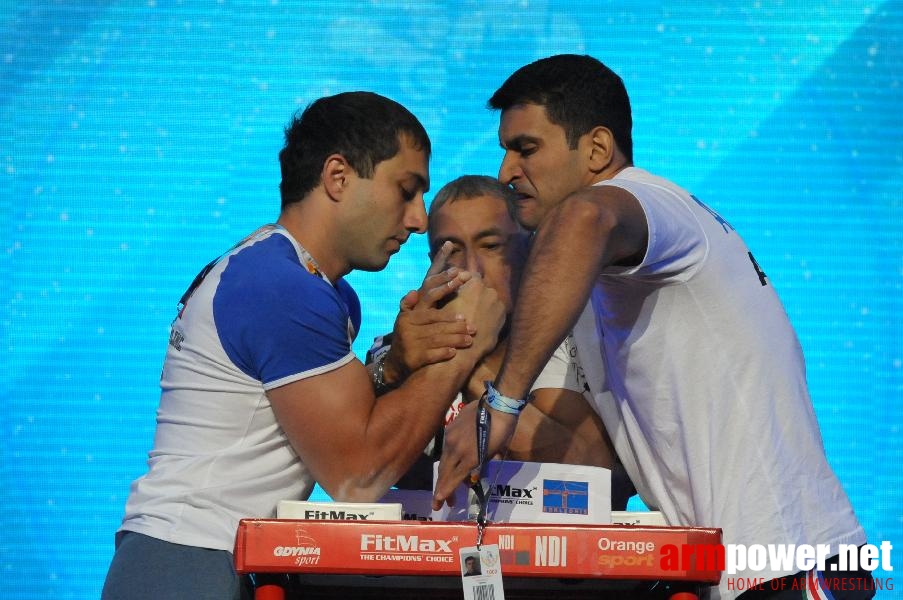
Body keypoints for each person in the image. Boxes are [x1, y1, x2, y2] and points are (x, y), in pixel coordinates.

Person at [433, 55, 872, 600]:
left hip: (787, 558)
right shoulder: (608, 271)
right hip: (752, 563)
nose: (505, 172)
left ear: (596, 149)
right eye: (504, 151)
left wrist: (502, 405)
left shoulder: (646, 202)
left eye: (525, 149)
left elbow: (584, 219)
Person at [102, 91, 505, 600]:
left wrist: (397, 364)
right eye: (406, 191)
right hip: (189, 559)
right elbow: (358, 476)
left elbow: (334, 420)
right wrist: (463, 346)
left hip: (215, 555)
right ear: (337, 177)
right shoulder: (280, 288)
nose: (419, 219)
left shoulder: (313, 287)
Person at [373, 175, 634, 509]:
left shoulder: (573, 347)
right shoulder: (398, 351)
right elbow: (363, 475)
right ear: (432, 264)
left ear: (528, 252)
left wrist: (468, 366)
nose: (472, 269)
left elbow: (597, 474)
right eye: (449, 249)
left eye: (491, 246)